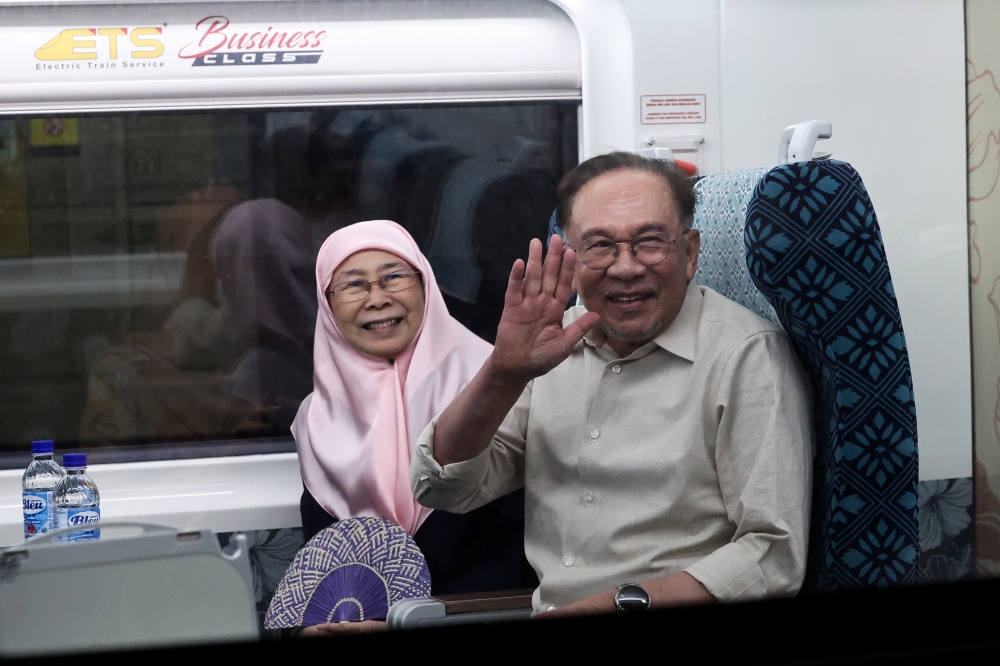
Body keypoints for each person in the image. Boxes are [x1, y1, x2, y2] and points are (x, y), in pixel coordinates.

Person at [411, 152, 814, 616]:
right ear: (571, 259)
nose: (625, 268)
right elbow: (442, 488)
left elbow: (775, 555)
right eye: (600, 246)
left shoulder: (745, 355)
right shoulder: (552, 345)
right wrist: (503, 373)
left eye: (650, 241)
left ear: (690, 254)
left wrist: (618, 604)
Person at [292, 220, 536, 633]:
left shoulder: (497, 384)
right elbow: (324, 560)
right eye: (354, 285)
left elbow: (525, 550)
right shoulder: (319, 416)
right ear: (328, 306)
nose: (377, 298)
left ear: (426, 284)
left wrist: (404, 621)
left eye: (394, 277)